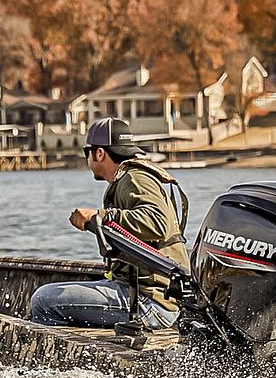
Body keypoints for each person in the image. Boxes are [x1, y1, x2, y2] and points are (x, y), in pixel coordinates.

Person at [29, 117, 189, 329]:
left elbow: (157, 223)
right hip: (144, 294)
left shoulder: (134, 178)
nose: (87, 159)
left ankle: (55, 360)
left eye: (87, 152)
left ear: (100, 153)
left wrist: (98, 217)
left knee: (43, 300)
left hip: (150, 303)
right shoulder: (129, 178)